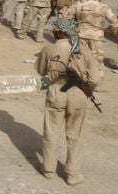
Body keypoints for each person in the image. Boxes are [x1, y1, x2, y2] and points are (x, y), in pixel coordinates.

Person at [37, 18, 95, 185]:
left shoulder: (49, 49)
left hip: (57, 91)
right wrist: (88, 89)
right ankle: (73, 174)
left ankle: (48, 169)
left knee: (51, 131)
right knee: (75, 134)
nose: (53, 32)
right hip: (78, 94)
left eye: (54, 29)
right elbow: (96, 77)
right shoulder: (83, 49)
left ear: (59, 31)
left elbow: (41, 70)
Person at [75, 0, 116, 85]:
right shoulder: (103, 7)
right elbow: (114, 22)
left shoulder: (80, 5)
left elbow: (68, 17)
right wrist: (108, 30)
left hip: (81, 35)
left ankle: (81, 79)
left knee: (82, 57)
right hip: (96, 37)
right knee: (97, 59)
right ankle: (96, 81)